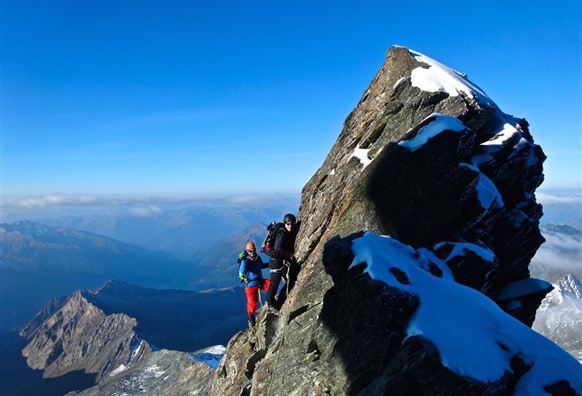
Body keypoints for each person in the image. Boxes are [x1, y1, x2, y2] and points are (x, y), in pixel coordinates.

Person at [266, 213, 298, 311]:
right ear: (285, 223)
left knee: (282, 281)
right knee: (274, 284)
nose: (290, 226)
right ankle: (271, 303)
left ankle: (276, 301)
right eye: (288, 224)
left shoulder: (286, 231)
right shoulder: (282, 233)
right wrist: (290, 254)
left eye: (292, 224)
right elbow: (278, 248)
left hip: (279, 260)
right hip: (276, 261)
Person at [238, 241, 270, 327]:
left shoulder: (257, 258)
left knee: (271, 285)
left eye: (254, 250)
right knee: (252, 303)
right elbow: (242, 270)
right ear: (247, 251)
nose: (252, 252)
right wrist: (244, 259)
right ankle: (251, 318)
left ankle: (271, 302)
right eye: (250, 251)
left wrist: (271, 263)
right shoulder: (245, 261)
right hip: (251, 285)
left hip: (259, 281)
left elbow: (261, 266)